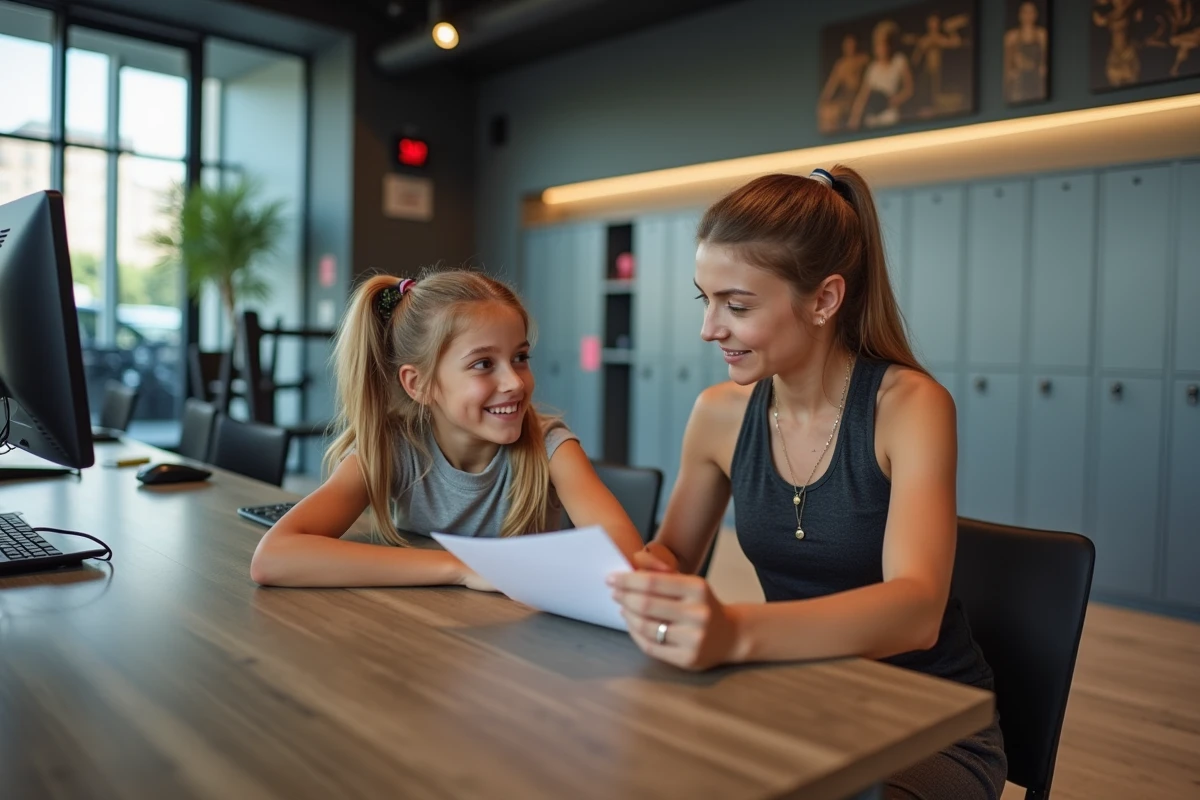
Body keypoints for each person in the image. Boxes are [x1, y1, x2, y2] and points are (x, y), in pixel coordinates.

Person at [608, 168, 1007, 799]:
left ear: (823, 300)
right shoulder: (718, 413)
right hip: (794, 697)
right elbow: (674, 554)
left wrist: (735, 633)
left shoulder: (910, 407)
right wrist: (638, 575)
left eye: (737, 306)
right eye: (704, 300)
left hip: (927, 725)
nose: (710, 329)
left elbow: (916, 610)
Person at [250, 268, 644, 588]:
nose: (516, 382)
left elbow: (626, 555)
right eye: (483, 364)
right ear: (418, 384)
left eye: (520, 357)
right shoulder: (393, 447)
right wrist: (461, 567)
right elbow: (274, 557)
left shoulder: (551, 446)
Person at [848, 20, 914, 130]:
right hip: (873, 117)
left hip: (892, 115)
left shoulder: (899, 61)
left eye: (886, 43)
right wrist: (853, 120)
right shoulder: (872, 69)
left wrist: (894, 101)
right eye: (879, 44)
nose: (883, 48)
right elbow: (862, 97)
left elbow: (909, 89)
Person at [1004, 2, 1049, 104]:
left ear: (1036, 14)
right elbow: (1007, 61)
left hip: (1036, 80)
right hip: (1019, 83)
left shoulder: (1042, 34)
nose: (1028, 16)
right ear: (1019, 15)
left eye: (1031, 12)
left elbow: (1045, 59)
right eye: (1025, 12)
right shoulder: (1011, 36)